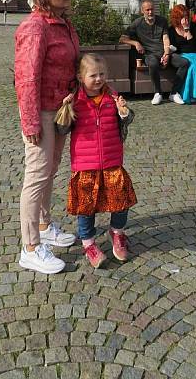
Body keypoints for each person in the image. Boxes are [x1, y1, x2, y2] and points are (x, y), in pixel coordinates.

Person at [14, 0, 78, 274]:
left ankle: (43, 223)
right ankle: (30, 247)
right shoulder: (35, 27)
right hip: (41, 110)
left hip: (61, 108)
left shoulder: (63, 25)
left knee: (51, 170)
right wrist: (30, 123)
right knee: (37, 174)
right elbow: (27, 78)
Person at [60, 53, 137, 268]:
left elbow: (126, 121)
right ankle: (89, 244)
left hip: (112, 160)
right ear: (80, 76)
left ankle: (117, 232)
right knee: (87, 207)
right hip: (85, 164)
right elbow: (61, 129)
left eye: (102, 74)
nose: (98, 78)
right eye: (93, 75)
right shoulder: (75, 100)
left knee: (121, 200)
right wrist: (66, 109)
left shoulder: (112, 97)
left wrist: (124, 113)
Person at [120, 0, 178, 105]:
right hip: (149, 54)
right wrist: (136, 43)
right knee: (152, 63)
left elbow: (166, 39)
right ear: (142, 11)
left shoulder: (162, 21)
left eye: (152, 9)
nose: (150, 12)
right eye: (147, 10)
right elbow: (122, 39)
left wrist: (166, 54)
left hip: (164, 52)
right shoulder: (137, 23)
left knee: (184, 63)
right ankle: (158, 93)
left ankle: (174, 92)